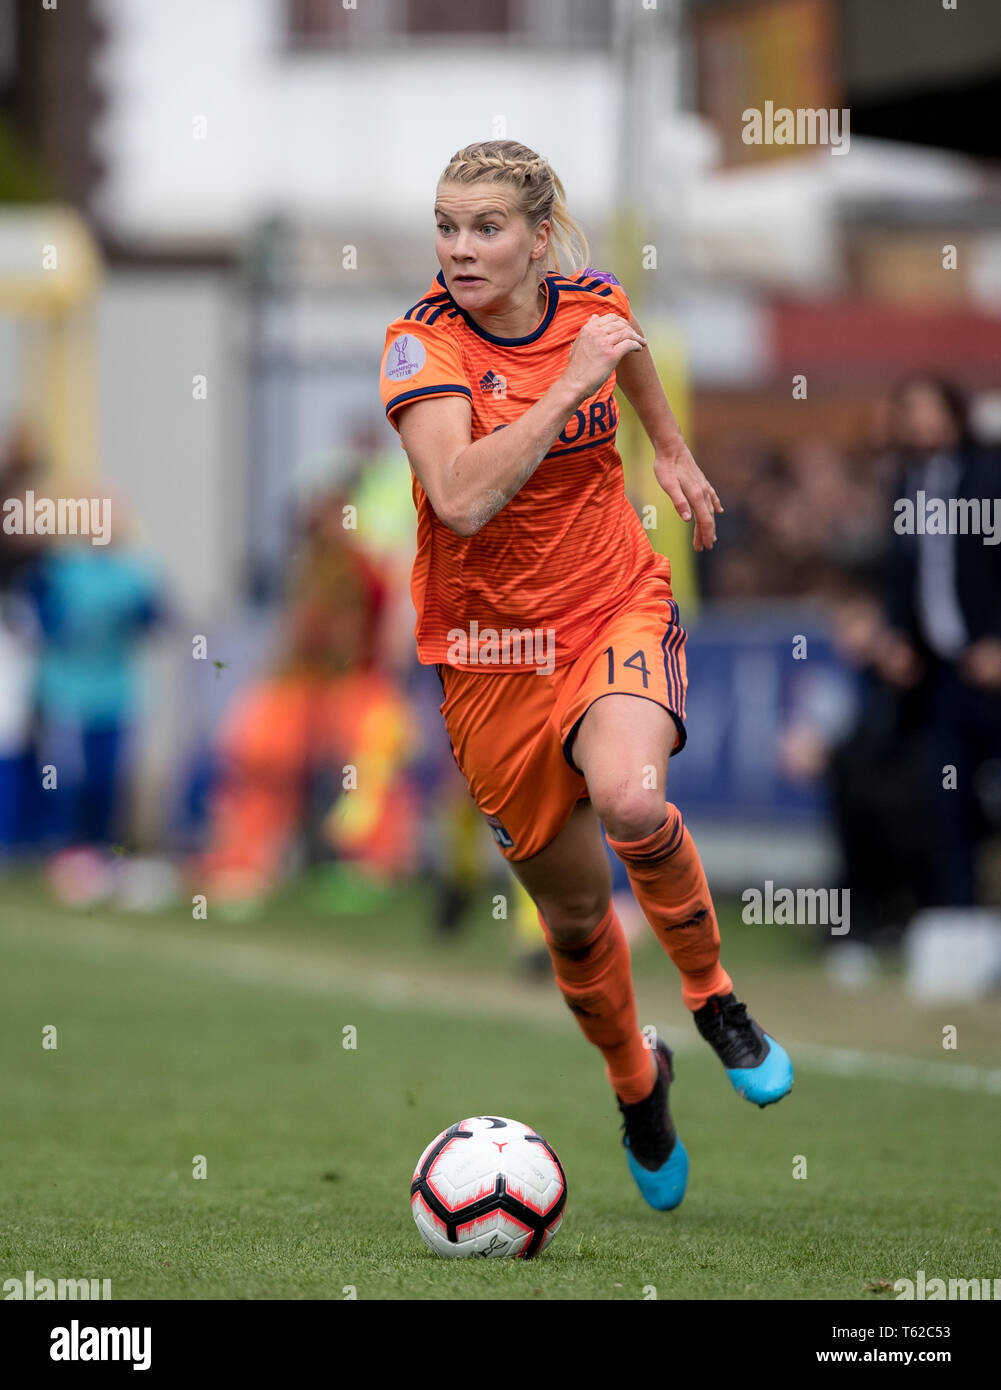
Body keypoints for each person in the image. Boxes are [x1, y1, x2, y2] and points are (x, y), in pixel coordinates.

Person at [378, 139, 793, 1213]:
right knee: (571, 923)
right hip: (488, 661)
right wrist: (566, 386)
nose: (460, 249)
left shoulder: (592, 302)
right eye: (446, 225)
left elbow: (622, 341)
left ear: (537, 235)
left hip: (611, 603)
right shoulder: (418, 347)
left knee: (629, 799)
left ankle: (712, 998)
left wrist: (668, 445)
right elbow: (461, 498)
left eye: (485, 228)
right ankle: (636, 1082)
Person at [878, 374, 1001, 908]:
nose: (923, 421)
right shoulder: (906, 482)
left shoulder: (990, 474)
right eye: (913, 410)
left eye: (932, 409)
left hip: (990, 666)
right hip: (941, 675)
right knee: (945, 801)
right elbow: (902, 574)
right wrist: (896, 637)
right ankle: (959, 921)